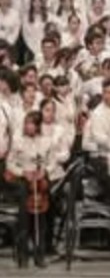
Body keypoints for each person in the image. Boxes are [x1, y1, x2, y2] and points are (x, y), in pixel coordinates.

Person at [6, 110, 56, 268]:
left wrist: (44, 171)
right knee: (24, 211)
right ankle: (23, 255)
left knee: (41, 214)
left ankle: (40, 254)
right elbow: (10, 163)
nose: (27, 126)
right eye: (26, 123)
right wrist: (23, 173)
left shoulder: (47, 141)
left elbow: (52, 162)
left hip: (40, 179)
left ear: (38, 126)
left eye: (31, 124)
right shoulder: (18, 140)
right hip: (23, 179)